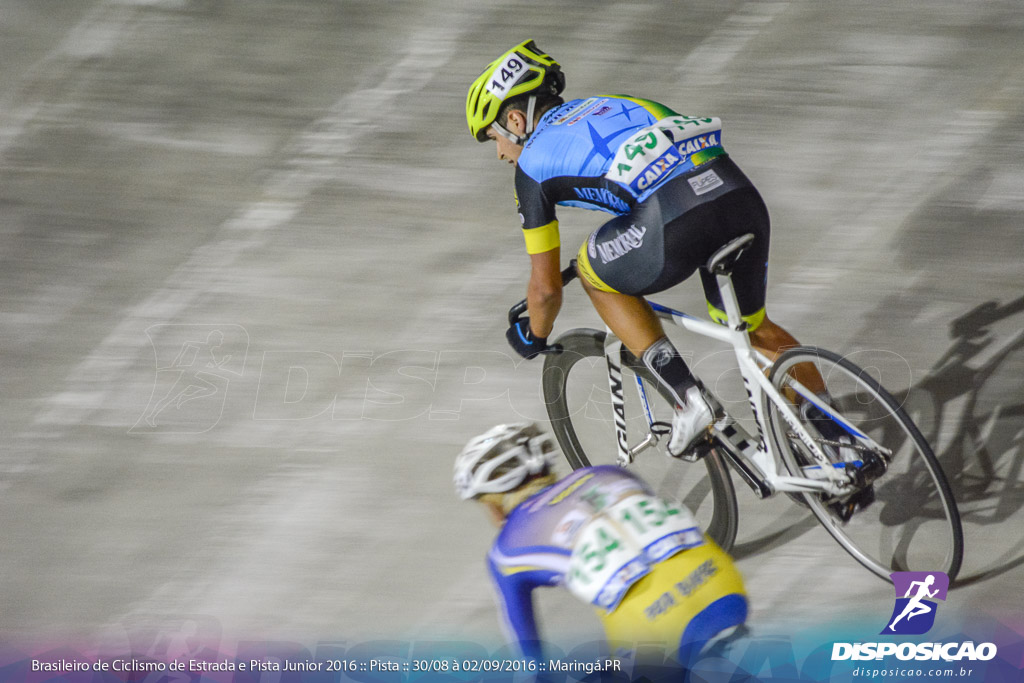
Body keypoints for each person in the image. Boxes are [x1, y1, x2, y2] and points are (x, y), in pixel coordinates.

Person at [466, 40, 825, 457]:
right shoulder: (615, 101)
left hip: (675, 219)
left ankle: (690, 401)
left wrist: (534, 333)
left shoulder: (530, 168)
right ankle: (837, 437)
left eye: (495, 137)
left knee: (590, 271)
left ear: (514, 118)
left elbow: (545, 289)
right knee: (751, 325)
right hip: (738, 196)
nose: (499, 154)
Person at [454, 422, 748, 666]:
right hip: (723, 585)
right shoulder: (609, 473)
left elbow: (528, 653)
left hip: (655, 625)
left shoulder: (505, 552)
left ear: (492, 503)